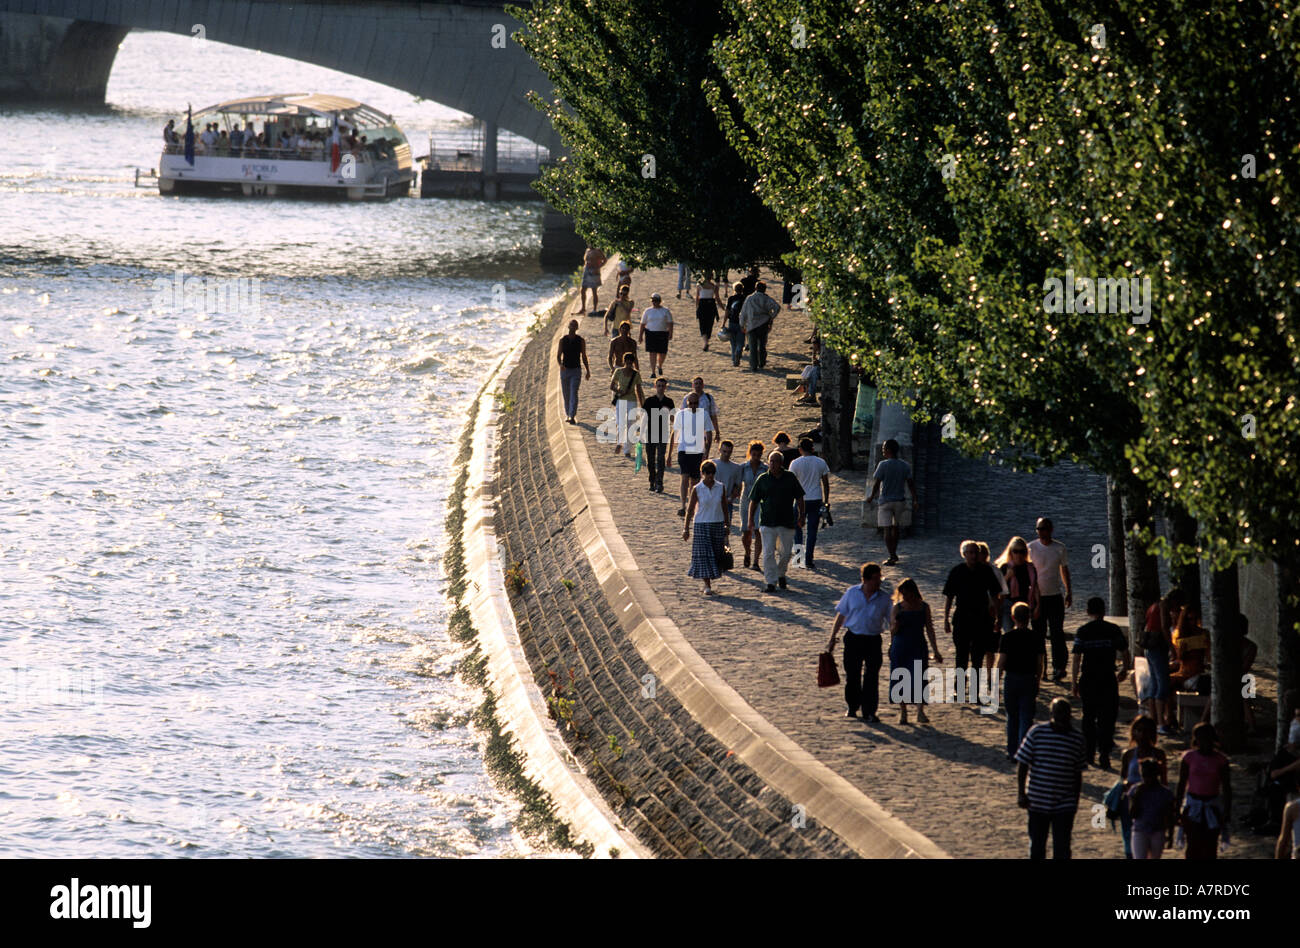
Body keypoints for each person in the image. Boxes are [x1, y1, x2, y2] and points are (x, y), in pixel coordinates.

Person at [1016, 697, 1087, 860]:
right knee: (1037, 847)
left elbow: (1078, 773)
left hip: (1065, 802)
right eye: (1058, 712)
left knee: (1062, 848)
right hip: (1037, 800)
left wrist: (1075, 802)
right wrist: (1021, 793)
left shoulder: (1077, 739)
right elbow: (1023, 763)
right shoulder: (1037, 732)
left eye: (1064, 713)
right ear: (1052, 714)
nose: (1061, 716)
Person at [1070, 597, 1131, 770]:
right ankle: (1104, 752)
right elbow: (1125, 651)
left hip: (1088, 678)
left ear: (1088, 612)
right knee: (1107, 717)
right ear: (1104, 611)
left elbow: (1076, 659)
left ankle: (1089, 753)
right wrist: (1125, 669)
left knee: (1088, 716)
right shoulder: (1113, 630)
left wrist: (1074, 682)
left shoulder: (1083, 631)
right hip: (1107, 678)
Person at [827, 562, 891, 721]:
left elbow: (892, 622)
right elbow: (841, 616)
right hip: (853, 638)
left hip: (874, 640)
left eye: (880, 578)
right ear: (865, 580)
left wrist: (893, 642)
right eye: (876, 579)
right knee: (852, 674)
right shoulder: (852, 593)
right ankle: (852, 706)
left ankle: (870, 711)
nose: (879, 582)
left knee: (872, 676)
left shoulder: (884, 598)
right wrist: (832, 638)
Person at [942, 541, 1003, 701]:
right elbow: (949, 596)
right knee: (961, 656)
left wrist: (998, 618)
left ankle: (975, 691)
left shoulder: (986, 571)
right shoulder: (957, 571)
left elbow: (995, 595)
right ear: (964, 554)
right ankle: (960, 689)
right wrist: (946, 619)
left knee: (977, 657)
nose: (973, 555)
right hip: (962, 619)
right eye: (970, 552)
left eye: (975, 552)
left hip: (982, 619)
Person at [747, 451, 805, 593]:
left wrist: (802, 515)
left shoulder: (790, 478)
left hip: (786, 522)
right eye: (771, 461)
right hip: (767, 522)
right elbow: (753, 501)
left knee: (785, 554)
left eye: (776, 461)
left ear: (781, 463)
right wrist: (750, 520)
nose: (772, 464)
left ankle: (781, 573)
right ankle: (771, 582)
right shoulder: (762, 479)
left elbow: (800, 498)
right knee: (768, 553)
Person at [888, 578, 941, 725]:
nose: (906, 597)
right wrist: (896, 626)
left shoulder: (923, 607)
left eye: (908, 594)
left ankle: (920, 711)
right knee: (900, 679)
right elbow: (892, 630)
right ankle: (903, 712)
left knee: (919, 678)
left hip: (918, 645)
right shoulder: (897, 608)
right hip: (901, 645)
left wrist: (935, 649)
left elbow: (929, 628)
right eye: (903, 594)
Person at [1175, 722, 1232, 859]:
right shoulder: (1188, 758)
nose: (1205, 743)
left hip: (1212, 806)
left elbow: (1227, 787)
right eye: (1201, 739)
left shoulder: (1221, 760)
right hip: (1193, 806)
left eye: (1208, 739)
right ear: (1196, 740)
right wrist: (1177, 808)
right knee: (1193, 845)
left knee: (1210, 847)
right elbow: (1181, 784)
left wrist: (1227, 810)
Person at [1028, 517, 1072, 683]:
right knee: (1038, 634)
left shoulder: (1059, 548)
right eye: (1039, 529)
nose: (1042, 532)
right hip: (1038, 597)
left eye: (1045, 529)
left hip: (1054, 596)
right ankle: (1042, 668)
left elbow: (1064, 570)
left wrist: (1069, 591)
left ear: (1051, 530)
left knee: (1057, 633)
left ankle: (1058, 667)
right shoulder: (1031, 548)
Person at [998, 602, 1044, 759]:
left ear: (1013, 618)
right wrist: (1038, 680)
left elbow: (1001, 661)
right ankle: (1024, 750)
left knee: (1012, 717)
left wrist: (996, 679)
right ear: (1029, 618)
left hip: (1011, 679)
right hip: (1029, 678)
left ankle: (1012, 751)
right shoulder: (1036, 637)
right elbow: (1040, 663)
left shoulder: (1007, 637)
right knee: (1026, 717)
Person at [1118, 716, 1168, 858]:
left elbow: (1164, 781)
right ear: (1134, 732)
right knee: (1130, 840)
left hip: (1152, 802)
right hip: (1131, 801)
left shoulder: (1159, 754)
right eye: (1139, 730)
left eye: (1146, 731)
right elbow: (1122, 778)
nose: (1142, 734)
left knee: (1153, 840)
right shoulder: (1128, 754)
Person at [682, 459, 730, 594]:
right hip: (701, 524)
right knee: (704, 555)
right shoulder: (697, 489)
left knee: (715, 554)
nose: (710, 475)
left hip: (717, 523)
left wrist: (727, 524)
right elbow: (690, 509)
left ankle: (710, 579)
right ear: (702, 473)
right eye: (707, 473)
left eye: (712, 472)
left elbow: (725, 507)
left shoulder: (721, 487)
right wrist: (686, 528)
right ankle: (707, 584)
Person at [1140, 587, 1184, 733]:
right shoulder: (1163, 607)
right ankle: (1161, 722)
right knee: (1163, 684)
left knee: (1154, 683)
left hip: (1150, 648)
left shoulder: (1154, 606)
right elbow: (1165, 627)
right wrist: (1172, 648)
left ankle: (1154, 720)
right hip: (1158, 647)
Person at [867, 439, 917, 565]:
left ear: (888, 450)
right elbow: (910, 484)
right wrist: (915, 499)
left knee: (887, 529)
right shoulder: (904, 465)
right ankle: (894, 553)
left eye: (884, 448)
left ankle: (891, 555)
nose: (882, 450)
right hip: (900, 501)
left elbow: (877, 483)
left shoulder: (883, 465)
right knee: (896, 528)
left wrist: (871, 496)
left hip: (885, 501)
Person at [668, 392, 714, 517]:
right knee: (684, 477)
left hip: (698, 450)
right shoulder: (681, 414)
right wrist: (669, 454)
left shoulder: (704, 415)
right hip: (683, 449)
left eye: (695, 403)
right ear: (687, 403)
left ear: (698, 403)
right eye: (691, 403)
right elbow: (674, 433)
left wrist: (707, 452)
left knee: (694, 481)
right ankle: (683, 505)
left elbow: (709, 433)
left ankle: (691, 505)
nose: (693, 405)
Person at [789, 438, 830, 570]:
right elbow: (825, 484)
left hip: (800, 499)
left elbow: (792, 484)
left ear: (800, 449)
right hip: (816, 498)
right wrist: (826, 500)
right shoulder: (820, 462)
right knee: (812, 531)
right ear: (812, 448)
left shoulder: (795, 463)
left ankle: (799, 558)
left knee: (797, 529)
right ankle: (809, 559)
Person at [1128, 758, 1176, 859]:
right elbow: (1132, 814)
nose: (1147, 778)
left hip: (1158, 831)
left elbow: (1170, 815)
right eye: (1144, 775)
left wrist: (1170, 835)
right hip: (1139, 830)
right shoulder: (1135, 790)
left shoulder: (1165, 793)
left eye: (1150, 775)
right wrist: (1137, 796)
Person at [995, 537, 1039, 633]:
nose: (1019, 555)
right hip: (1007, 604)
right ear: (1011, 552)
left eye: (1022, 551)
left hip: (1024, 604)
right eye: (1016, 551)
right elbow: (998, 588)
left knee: (1022, 631)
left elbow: (1035, 587)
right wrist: (1008, 576)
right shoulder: (1005, 567)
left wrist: (1038, 606)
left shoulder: (1030, 568)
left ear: (1026, 553)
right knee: (1009, 632)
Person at [608, 352, 644, 458]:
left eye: (630, 362)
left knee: (630, 425)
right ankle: (620, 443)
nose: (629, 363)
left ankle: (627, 449)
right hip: (621, 400)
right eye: (627, 361)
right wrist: (619, 390)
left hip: (632, 400)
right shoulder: (618, 371)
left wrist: (642, 403)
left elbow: (638, 389)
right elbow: (612, 386)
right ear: (624, 361)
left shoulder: (636, 374)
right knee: (621, 423)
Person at [640, 376, 674, 494]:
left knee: (660, 459)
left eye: (663, 386)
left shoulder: (669, 402)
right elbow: (644, 418)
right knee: (650, 459)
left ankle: (659, 482)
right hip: (650, 433)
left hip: (663, 433)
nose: (660, 388)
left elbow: (673, 419)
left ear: (666, 387)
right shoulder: (649, 401)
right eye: (658, 385)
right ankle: (652, 480)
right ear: (655, 386)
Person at [978, 542, 1006, 673]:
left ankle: (989, 674)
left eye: (982, 553)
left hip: (990, 613)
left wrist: (997, 613)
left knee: (990, 648)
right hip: (975, 614)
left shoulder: (995, 571)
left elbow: (1002, 594)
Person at [738, 440, 766, 570]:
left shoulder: (765, 469)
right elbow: (738, 484)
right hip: (746, 500)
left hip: (760, 502)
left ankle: (756, 561)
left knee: (758, 531)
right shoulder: (744, 467)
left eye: (758, 455)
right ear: (750, 453)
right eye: (754, 454)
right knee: (745, 531)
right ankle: (747, 552)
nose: (756, 457)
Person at [739, 280, 780, 371]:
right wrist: (771, 317)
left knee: (752, 346)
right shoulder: (766, 298)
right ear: (764, 289)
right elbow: (777, 307)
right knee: (762, 345)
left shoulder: (749, 298)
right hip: (763, 324)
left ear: (755, 288)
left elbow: (743, 312)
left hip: (752, 324)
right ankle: (761, 362)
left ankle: (753, 365)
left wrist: (742, 324)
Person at [1168, 605, 1209, 693]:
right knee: (1164, 682)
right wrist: (1182, 651)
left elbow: (1208, 657)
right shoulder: (1181, 635)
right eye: (1190, 619)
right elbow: (1180, 658)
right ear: (1185, 620)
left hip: (1197, 670)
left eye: (1195, 619)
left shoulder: (1203, 633)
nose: (1193, 622)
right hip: (1184, 671)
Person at [556, 320, 590, 425]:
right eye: (571, 325)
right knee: (566, 394)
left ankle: (572, 416)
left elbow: (584, 356)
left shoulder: (581, 340)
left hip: (576, 370)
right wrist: (560, 365)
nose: (573, 327)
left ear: (577, 328)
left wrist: (587, 370)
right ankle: (568, 414)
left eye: (575, 326)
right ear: (568, 326)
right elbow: (558, 356)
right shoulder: (563, 340)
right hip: (565, 370)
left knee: (574, 392)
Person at [638, 293, 674, 379]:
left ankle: (660, 365)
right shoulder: (647, 311)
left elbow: (670, 323)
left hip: (662, 333)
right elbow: (643, 324)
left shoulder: (665, 311)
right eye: (653, 301)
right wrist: (640, 335)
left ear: (660, 301)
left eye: (656, 301)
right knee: (652, 352)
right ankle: (653, 371)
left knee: (662, 352)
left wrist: (670, 333)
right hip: (650, 333)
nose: (655, 302)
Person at [711, 440, 744, 532]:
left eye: (729, 452)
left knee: (725, 528)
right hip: (712, 499)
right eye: (724, 451)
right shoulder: (712, 464)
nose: (726, 454)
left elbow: (738, 486)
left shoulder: (736, 467)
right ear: (719, 450)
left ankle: (725, 544)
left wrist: (731, 498)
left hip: (727, 502)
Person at [689, 376, 721, 448]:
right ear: (693, 385)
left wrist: (717, 432)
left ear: (703, 385)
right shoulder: (687, 398)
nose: (698, 385)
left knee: (704, 454)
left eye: (700, 383)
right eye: (696, 384)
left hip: (705, 431)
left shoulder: (708, 398)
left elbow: (713, 416)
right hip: (690, 431)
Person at [723, 282, 747, 366]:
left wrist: (723, 323)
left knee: (733, 342)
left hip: (732, 322)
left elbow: (727, 311)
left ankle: (734, 359)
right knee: (740, 342)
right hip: (742, 323)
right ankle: (738, 352)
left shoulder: (731, 298)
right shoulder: (745, 298)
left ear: (734, 289)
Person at [694, 275, 720, 350]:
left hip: (702, 305)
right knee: (709, 324)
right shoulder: (714, 286)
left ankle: (705, 342)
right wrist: (722, 307)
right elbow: (717, 298)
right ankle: (706, 342)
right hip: (711, 305)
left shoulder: (699, 285)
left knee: (702, 325)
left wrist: (697, 307)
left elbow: (697, 298)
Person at [578, 246, 605, 315]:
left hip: (594, 272)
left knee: (594, 291)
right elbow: (586, 260)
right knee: (582, 290)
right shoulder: (588, 250)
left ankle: (594, 309)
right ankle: (583, 308)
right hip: (587, 271)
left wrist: (598, 267)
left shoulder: (598, 251)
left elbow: (604, 260)